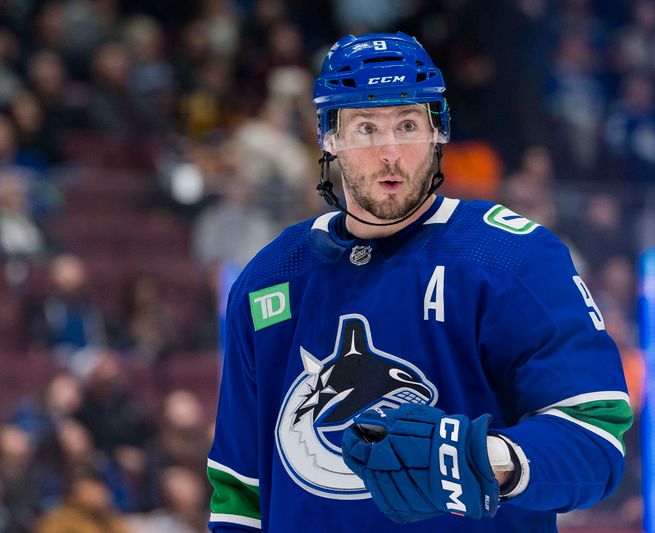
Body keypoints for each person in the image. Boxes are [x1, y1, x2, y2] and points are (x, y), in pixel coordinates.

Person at [207, 32, 632, 532]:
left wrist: (485, 457)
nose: (390, 152)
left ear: (438, 132)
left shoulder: (513, 257)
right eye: (365, 127)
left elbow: (595, 437)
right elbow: (239, 490)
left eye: (408, 125)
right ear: (329, 137)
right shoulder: (267, 280)